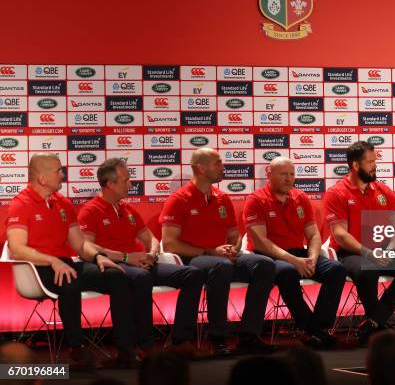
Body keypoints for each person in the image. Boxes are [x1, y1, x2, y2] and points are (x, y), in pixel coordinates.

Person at [5, 153, 137, 368]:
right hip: (38, 269)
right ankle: (77, 349)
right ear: (42, 178)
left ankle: (125, 350)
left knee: (116, 276)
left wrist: (97, 257)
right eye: (58, 171)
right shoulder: (22, 204)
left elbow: (79, 244)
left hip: (66, 264)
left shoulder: (62, 203)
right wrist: (52, 260)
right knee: (69, 282)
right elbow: (17, 250)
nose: (63, 175)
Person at [78, 158, 205, 359]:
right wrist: (127, 257)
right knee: (141, 278)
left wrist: (152, 255)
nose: (131, 184)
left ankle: (181, 341)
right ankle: (145, 345)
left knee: (193, 274)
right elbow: (86, 247)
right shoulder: (90, 211)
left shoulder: (127, 208)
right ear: (110, 184)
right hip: (117, 266)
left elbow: (151, 239)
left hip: (142, 263)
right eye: (126, 180)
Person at [160, 148, 276, 354]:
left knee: (265, 265)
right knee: (220, 266)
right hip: (193, 259)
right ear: (200, 168)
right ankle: (218, 337)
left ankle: (249, 334)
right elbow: (169, 244)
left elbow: (234, 235)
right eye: (218, 163)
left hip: (221, 258)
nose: (223, 167)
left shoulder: (222, 198)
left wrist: (233, 247)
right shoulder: (178, 199)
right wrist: (211, 252)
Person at [244, 157, 347, 349]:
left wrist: (313, 258)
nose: (289, 179)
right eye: (283, 174)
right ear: (269, 174)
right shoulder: (256, 200)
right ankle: (312, 331)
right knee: (287, 272)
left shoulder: (301, 197)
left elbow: (314, 234)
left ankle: (318, 327)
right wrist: (294, 261)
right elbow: (261, 242)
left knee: (336, 269)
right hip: (268, 256)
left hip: (299, 253)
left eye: (292, 174)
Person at [324, 141, 395, 343]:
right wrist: (369, 253)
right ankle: (379, 323)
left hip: (383, 250)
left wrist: (391, 250)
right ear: (355, 165)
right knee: (368, 269)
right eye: (370, 162)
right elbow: (340, 234)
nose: (374, 165)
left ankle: (374, 321)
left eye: (375, 160)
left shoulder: (384, 191)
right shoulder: (337, 193)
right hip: (351, 252)